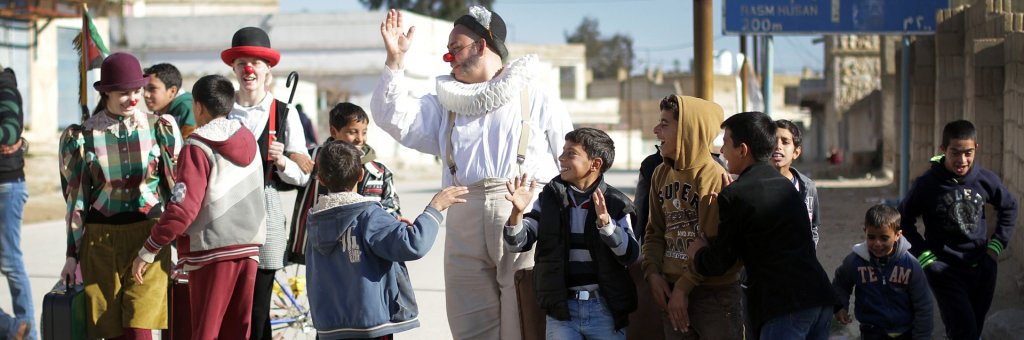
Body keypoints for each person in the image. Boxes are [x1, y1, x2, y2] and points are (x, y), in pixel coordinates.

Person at [371, 6, 574, 339]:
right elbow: (393, 116)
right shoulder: (446, 102)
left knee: (524, 320)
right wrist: (395, 61)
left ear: (483, 45)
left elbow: (569, 162)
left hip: (523, 215)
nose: (449, 57)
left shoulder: (536, 95)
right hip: (463, 214)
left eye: (457, 47)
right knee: (469, 323)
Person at [129, 74, 266, 338]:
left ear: (199, 106)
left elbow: (182, 209)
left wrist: (149, 249)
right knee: (237, 332)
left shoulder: (197, 145)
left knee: (206, 331)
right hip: (249, 247)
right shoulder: (248, 138)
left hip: (212, 250)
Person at [58, 52, 181, 339]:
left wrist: (180, 242)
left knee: (140, 328)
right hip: (100, 242)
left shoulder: (160, 127)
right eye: (124, 93)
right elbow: (77, 200)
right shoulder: (82, 136)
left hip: (148, 238)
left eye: (137, 91)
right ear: (107, 93)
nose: (133, 98)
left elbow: (175, 189)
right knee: (110, 331)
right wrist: (71, 255)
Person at [686, 111, 834, 339]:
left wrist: (698, 253)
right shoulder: (787, 185)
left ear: (743, 150)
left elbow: (720, 262)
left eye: (725, 143)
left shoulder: (735, 195)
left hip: (785, 308)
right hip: (819, 299)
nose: (722, 152)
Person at [304, 141, 467, 339]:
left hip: (329, 328)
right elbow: (414, 244)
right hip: (370, 327)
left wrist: (392, 226)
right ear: (361, 175)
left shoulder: (316, 220)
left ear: (320, 179)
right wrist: (434, 209)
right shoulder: (368, 215)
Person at [220, 26, 312, 340]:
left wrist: (283, 160)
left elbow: (305, 172)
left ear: (267, 70)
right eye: (242, 61)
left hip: (264, 209)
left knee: (258, 309)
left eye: (256, 62)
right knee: (229, 305)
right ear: (233, 68)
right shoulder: (222, 110)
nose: (249, 68)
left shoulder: (285, 114)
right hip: (225, 213)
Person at [503, 128, 638, 339]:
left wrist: (607, 227)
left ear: (595, 164)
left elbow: (631, 254)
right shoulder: (550, 198)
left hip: (606, 309)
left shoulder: (615, 203)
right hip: (562, 310)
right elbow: (517, 243)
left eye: (571, 153)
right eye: (563, 151)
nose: (561, 157)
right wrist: (517, 213)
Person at [898, 119, 1017, 339]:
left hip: (982, 267)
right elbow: (903, 220)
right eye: (955, 152)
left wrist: (995, 248)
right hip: (945, 271)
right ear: (943, 150)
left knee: (971, 328)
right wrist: (926, 258)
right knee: (965, 330)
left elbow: (1009, 207)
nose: (962, 160)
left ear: (976, 149)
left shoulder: (985, 180)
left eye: (968, 153)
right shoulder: (927, 185)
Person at [642, 95, 743, 339]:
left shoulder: (712, 175)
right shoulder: (660, 174)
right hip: (672, 290)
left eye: (665, 124)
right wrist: (652, 273)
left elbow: (712, 242)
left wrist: (684, 288)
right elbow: (654, 231)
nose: (656, 131)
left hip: (713, 296)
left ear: (688, 129)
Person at [288, 102, 405, 264]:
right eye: (352, 132)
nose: (360, 139)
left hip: (363, 255)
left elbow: (392, 210)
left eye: (364, 132)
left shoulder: (379, 172)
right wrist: (291, 156)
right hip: (318, 254)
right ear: (334, 132)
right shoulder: (313, 160)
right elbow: (285, 179)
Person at [832, 204, 933, 340]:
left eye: (884, 238)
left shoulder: (910, 265)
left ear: (897, 235)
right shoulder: (855, 261)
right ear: (865, 232)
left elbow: (924, 305)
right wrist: (840, 306)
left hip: (906, 331)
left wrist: (922, 337)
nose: (877, 243)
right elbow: (841, 282)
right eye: (871, 237)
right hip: (872, 331)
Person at [0, 64, 32, 340]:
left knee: (10, 261)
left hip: (6, 187)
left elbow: (9, 133)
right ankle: (13, 329)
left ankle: (24, 330)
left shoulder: (5, 89)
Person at [771, 119, 820, 246]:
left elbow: (813, 228)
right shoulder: (755, 186)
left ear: (796, 152)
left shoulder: (808, 187)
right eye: (772, 140)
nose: (778, 146)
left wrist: (809, 254)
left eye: (785, 142)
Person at [143, 63, 196, 138]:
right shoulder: (160, 109)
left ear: (172, 91)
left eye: (152, 88)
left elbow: (189, 145)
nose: (145, 95)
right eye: (144, 89)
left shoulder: (187, 108)